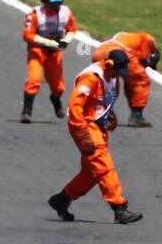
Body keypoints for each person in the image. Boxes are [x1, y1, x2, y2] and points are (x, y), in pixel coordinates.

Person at [48, 50, 143, 225]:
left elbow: (103, 100)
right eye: (117, 72)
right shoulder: (91, 78)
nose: (118, 76)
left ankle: (61, 199)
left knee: (92, 172)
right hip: (84, 125)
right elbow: (75, 106)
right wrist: (83, 134)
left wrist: (110, 115)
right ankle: (119, 207)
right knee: (103, 165)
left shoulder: (112, 77)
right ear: (109, 65)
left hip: (97, 127)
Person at [21, 0, 77, 122]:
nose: (56, 6)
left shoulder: (66, 13)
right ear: (46, 2)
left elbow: (72, 29)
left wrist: (65, 40)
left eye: (58, 3)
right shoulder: (34, 14)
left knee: (59, 87)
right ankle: (26, 111)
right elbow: (28, 35)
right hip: (37, 51)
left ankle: (55, 99)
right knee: (33, 80)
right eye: (53, 3)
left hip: (55, 53)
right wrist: (48, 43)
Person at [92, 31, 161, 127]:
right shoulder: (148, 39)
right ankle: (137, 115)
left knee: (110, 84)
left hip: (98, 53)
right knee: (142, 80)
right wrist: (149, 64)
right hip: (119, 53)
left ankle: (98, 112)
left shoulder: (127, 37)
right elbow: (143, 59)